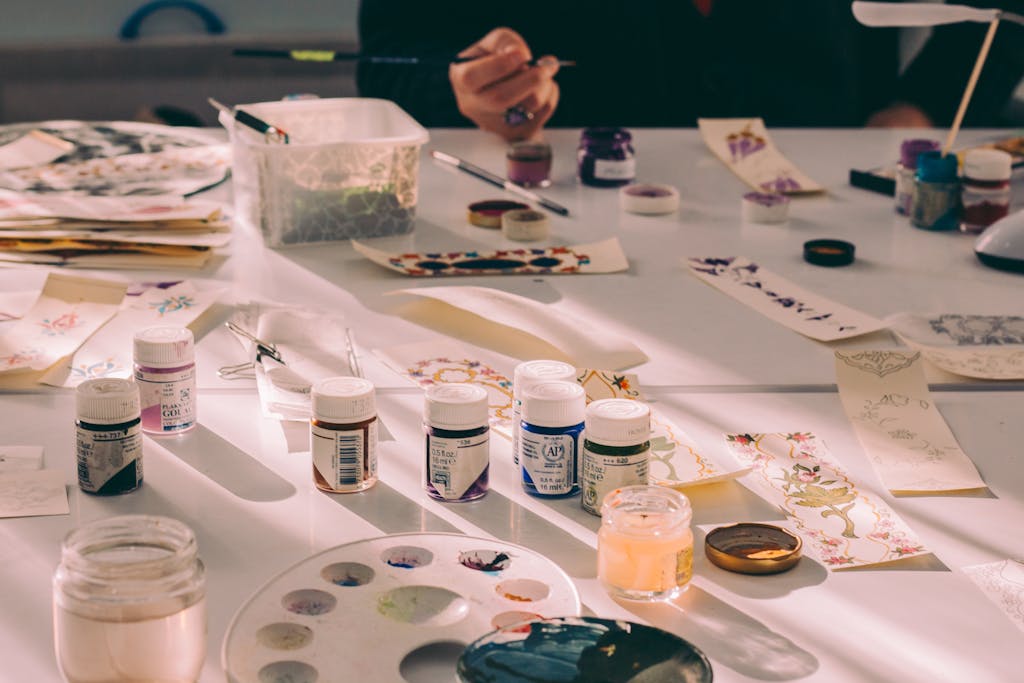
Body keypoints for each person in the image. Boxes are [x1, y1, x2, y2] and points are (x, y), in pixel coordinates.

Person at [357, 1, 902, 140]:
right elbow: (387, 60)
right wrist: (463, 85)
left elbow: (986, 27)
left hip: (845, 202)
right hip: (566, 217)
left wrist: (924, 100)